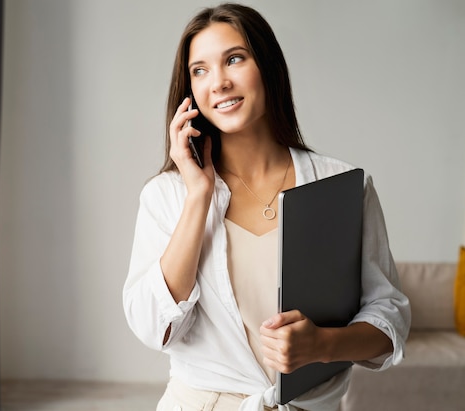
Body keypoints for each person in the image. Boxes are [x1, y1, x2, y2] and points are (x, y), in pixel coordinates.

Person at [123, 3, 411, 411]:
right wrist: (198, 195)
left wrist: (322, 345)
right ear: (189, 92)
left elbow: (390, 316)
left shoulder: (343, 185)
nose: (218, 82)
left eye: (234, 59)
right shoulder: (166, 195)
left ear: (268, 67)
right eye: (199, 70)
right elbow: (153, 327)